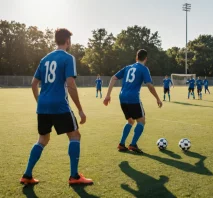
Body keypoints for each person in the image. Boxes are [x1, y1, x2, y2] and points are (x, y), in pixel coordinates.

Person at [20, 28, 93, 185]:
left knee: (42, 139)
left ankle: (27, 174)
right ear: (67, 41)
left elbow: (34, 83)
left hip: (43, 106)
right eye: (70, 40)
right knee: (75, 136)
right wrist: (80, 109)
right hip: (60, 105)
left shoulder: (45, 59)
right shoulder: (68, 58)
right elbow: (71, 84)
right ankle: (74, 176)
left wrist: (39, 101)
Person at [103, 49, 162, 154]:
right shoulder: (144, 69)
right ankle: (133, 144)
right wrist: (157, 98)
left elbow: (113, 78)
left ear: (136, 57)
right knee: (141, 121)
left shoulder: (128, 67)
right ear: (146, 59)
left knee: (130, 121)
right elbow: (149, 85)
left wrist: (108, 95)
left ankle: (121, 144)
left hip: (122, 97)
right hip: (133, 98)